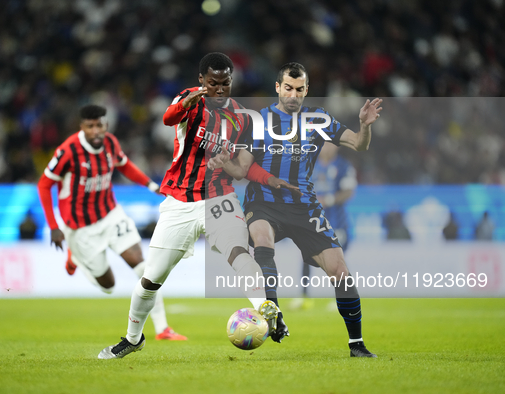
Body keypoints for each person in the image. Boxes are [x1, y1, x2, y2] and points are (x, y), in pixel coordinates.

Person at [98, 53, 300, 359]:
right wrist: (190, 100)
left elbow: (244, 166)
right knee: (150, 281)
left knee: (239, 253)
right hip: (180, 201)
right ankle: (133, 338)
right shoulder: (190, 101)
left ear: (232, 81)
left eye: (225, 83)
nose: (219, 89)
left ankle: (268, 311)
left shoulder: (243, 118)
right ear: (202, 81)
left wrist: (269, 179)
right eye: (213, 83)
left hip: (220, 199)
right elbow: (168, 118)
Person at [210, 62, 382, 357]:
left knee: (340, 271)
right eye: (288, 88)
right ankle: (273, 314)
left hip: (304, 206)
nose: (293, 95)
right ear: (278, 88)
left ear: (306, 90)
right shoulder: (259, 121)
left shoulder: (318, 118)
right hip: (263, 201)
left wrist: (365, 126)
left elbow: (358, 144)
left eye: (299, 90)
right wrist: (221, 159)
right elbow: (240, 170)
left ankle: (357, 344)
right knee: (262, 239)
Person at [37, 104, 186, 341]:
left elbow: (124, 164)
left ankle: (162, 329)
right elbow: (44, 185)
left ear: (106, 125)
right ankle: (76, 256)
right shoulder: (67, 152)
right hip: (80, 228)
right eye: (90, 126)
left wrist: (151, 185)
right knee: (108, 285)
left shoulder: (110, 143)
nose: (96, 131)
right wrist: (54, 227)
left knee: (143, 266)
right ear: (82, 127)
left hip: (110, 214)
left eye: (100, 125)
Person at [293, 143, 357, 307]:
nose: (325, 147)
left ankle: (345, 299)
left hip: (336, 221)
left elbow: (349, 191)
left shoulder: (343, 166)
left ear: (336, 146)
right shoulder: (308, 164)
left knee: (337, 260)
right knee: (306, 256)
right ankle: (305, 298)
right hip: (313, 220)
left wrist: (328, 200)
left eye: (328, 144)